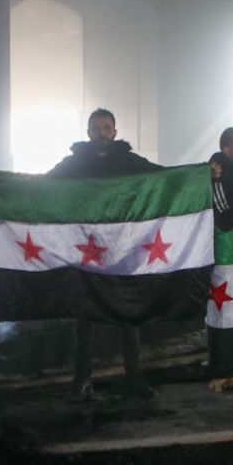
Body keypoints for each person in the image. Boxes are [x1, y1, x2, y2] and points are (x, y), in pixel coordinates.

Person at [48, 108, 160, 399]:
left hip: (123, 249)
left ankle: (134, 377)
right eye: (96, 128)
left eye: (107, 127)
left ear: (115, 132)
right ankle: (82, 380)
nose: (102, 132)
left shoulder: (129, 161)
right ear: (88, 133)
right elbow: (42, 185)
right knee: (86, 316)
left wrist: (201, 174)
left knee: (129, 313)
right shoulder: (73, 164)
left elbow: (164, 176)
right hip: (86, 251)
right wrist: (1, 185)